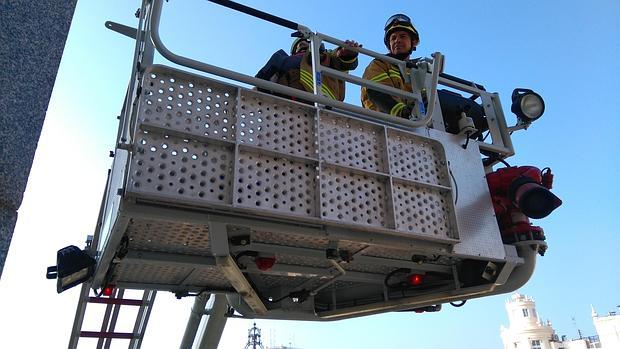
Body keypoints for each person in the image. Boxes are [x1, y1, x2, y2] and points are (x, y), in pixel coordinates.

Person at [256, 37, 361, 102]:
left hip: (319, 101)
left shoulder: (326, 57)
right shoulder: (283, 59)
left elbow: (341, 61)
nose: (302, 43)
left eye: (306, 40)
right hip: (284, 101)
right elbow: (265, 80)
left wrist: (345, 54)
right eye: (298, 44)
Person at [361, 14, 420, 118]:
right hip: (385, 122)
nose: (397, 40)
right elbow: (377, 94)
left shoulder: (418, 71)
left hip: (417, 125)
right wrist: (403, 113)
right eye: (393, 38)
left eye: (402, 36)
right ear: (389, 45)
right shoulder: (379, 64)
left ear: (413, 42)